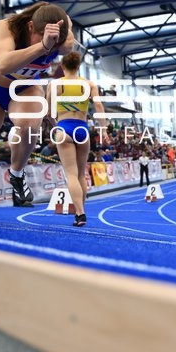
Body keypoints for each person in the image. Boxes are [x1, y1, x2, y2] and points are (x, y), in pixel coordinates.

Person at [0, 2, 75, 219]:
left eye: (54, 41)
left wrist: (59, 43)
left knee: (29, 126)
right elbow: (3, 64)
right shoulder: (6, 27)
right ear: (30, 27)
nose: (51, 44)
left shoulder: (61, 34)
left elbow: (68, 46)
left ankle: (17, 174)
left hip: (25, 88)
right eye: (43, 37)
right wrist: (43, 47)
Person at [46, 51, 103, 227]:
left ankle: (80, 213)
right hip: (82, 129)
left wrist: (56, 123)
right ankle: (80, 211)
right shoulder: (89, 84)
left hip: (64, 127)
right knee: (80, 174)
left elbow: (48, 112)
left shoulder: (54, 84)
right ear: (78, 67)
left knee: (70, 174)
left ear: (62, 66)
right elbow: (99, 105)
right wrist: (103, 128)